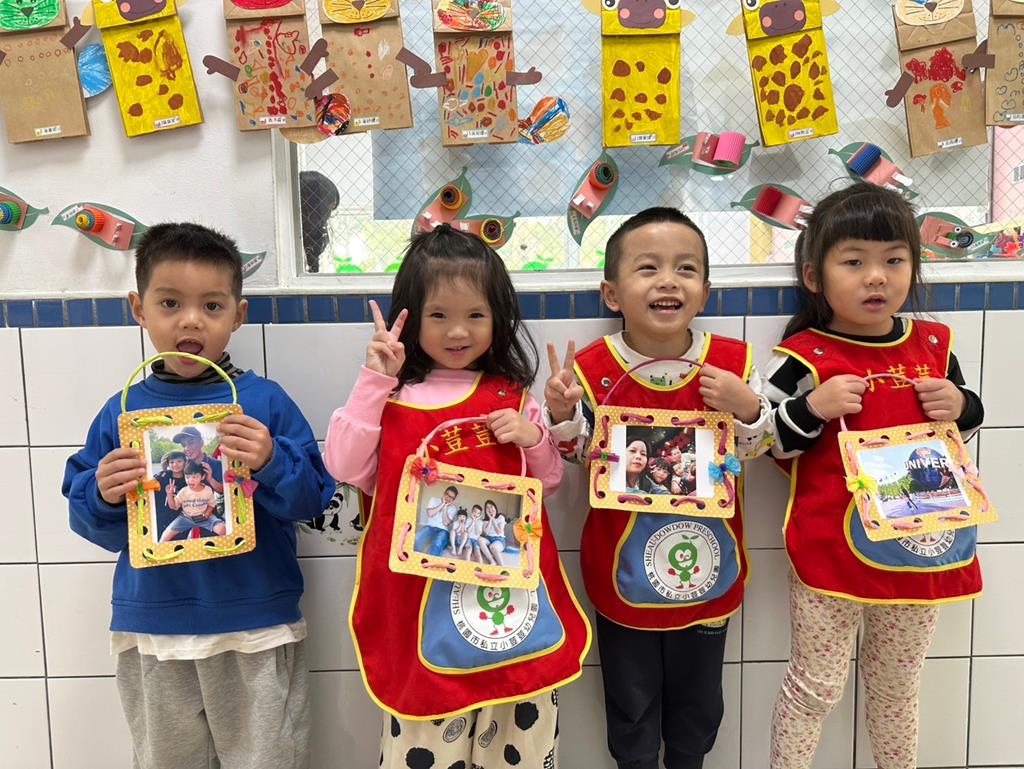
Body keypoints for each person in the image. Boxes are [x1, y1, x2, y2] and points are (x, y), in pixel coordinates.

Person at [62, 223, 335, 769]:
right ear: (139, 309)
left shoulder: (264, 403)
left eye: (212, 305)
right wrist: (103, 494)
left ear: (238, 315)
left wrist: (272, 460)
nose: (191, 320)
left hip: (256, 626)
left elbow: (312, 500)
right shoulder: (121, 412)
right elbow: (95, 524)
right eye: (170, 303)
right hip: (154, 629)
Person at [323, 224, 590, 768]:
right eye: (439, 315)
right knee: (424, 744)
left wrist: (533, 436)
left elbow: (548, 483)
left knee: (518, 742)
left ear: (499, 318)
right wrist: (373, 380)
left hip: (508, 610)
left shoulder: (513, 397)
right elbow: (344, 466)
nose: (458, 331)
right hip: (416, 608)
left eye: (475, 315)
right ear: (411, 316)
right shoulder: (391, 398)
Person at [761, 183, 985, 769]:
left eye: (894, 260)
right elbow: (765, 442)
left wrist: (962, 405)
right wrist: (812, 408)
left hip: (917, 548)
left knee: (897, 690)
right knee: (813, 690)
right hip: (830, 553)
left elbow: (962, 430)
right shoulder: (802, 357)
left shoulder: (934, 347)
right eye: (854, 262)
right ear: (814, 276)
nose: (877, 277)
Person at [544, 207, 773, 769]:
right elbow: (578, 458)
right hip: (620, 575)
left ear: (705, 292)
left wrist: (747, 407)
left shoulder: (732, 365)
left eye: (685, 269)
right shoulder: (590, 371)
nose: (668, 280)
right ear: (611, 293)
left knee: (699, 707)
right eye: (648, 268)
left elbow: (756, 448)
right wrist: (564, 416)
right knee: (631, 706)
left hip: (708, 572)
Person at [159, 460, 225, 541]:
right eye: (187, 477)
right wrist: (169, 494)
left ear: (202, 477)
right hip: (186, 517)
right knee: (165, 536)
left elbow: (212, 504)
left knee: (222, 529)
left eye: (194, 477)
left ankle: (225, 547)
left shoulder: (207, 490)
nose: (190, 480)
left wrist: (207, 513)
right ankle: (159, 549)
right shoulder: (183, 491)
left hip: (204, 517)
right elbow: (174, 507)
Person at [172, 425, 223, 494]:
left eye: (191, 443)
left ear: (201, 443)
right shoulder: (183, 465)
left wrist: (210, 479)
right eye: (183, 445)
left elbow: (222, 491)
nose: (187, 448)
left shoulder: (217, 464)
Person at [416, 485, 459, 555]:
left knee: (437, 544)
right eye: (447, 494)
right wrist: (442, 504)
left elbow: (446, 523)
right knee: (417, 538)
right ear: (444, 493)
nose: (448, 498)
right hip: (430, 527)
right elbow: (430, 514)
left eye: (451, 497)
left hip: (443, 530)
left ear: (453, 499)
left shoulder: (453, 508)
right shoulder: (433, 499)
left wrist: (445, 507)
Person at [479, 498, 508, 566]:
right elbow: (485, 533)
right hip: (488, 539)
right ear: (485, 510)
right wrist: (490, 519)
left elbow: (499, 532)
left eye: (491, 506)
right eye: (487, 507)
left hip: (499, 539)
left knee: (493, 547)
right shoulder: (485, 520)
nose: (490, 509)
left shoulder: (501, 517)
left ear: (495, 507)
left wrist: (493, 519)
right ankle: (491, 561)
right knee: (480, 539)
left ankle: (502, 567)